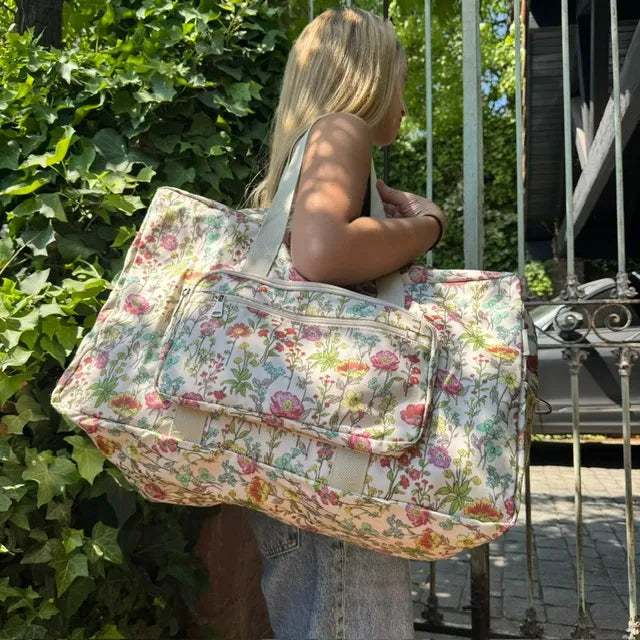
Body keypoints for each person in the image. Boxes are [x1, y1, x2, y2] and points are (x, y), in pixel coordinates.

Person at [248, 7, 446, 640]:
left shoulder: (310, 148)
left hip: (298, 456)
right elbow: (324, 251)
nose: (405, 103)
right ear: (369, 77)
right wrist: (428, 226)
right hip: (338, 458)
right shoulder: (344, 130)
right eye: (401, 81)